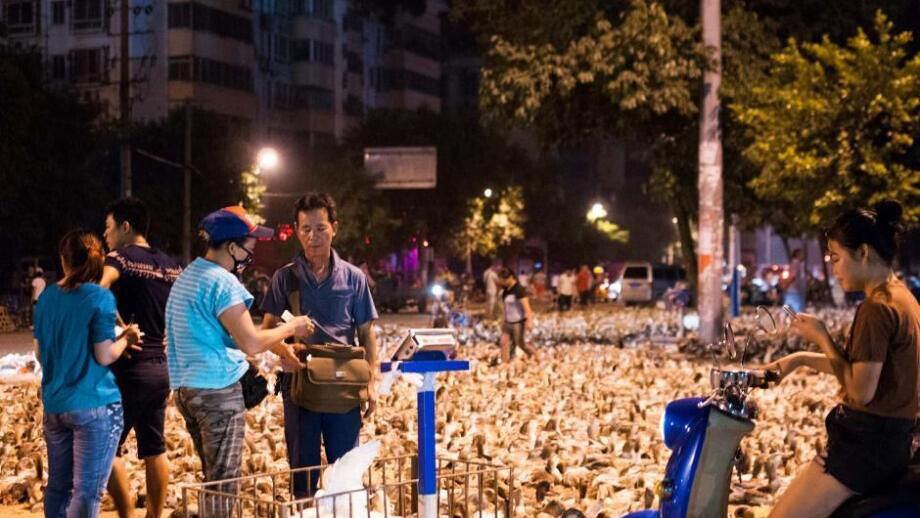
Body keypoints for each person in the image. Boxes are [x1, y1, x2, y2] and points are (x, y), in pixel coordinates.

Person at [766, 201, 919, 518]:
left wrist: (822, 336)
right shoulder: (903, 298)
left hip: (866, 445)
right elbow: (865, 369)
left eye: (836, 258)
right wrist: (799, 360)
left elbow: (860, 390)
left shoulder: (877, 308)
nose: (833, 270)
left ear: (862, 252)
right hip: (890, 441)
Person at [165, 207, 313, 513]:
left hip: (187, 391)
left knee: (213, 481)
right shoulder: (223, 282)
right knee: (224, 488)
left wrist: (279, 349)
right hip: (217, 393)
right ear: (232, 248)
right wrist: (293, 327)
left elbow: (226, 333)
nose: (251, 253)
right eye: (249, 246)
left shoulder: (189, 276)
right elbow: (250, 342)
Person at [259, 193, 380, 498]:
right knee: (303, 475)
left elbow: (367, 334)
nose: (313, 237)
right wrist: (284, 350)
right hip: (299, 386)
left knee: (346, 475)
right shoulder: (284, 278)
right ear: (297, 232)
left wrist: (372, 382)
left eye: (321, 228)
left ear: (334, 228)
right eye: (306, 229)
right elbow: (267, 330)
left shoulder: (354, 278)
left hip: (344, 386)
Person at [33, 229, 142, 518]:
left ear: (63, 260)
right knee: (86, 491)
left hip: (56, 405)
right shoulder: (99, 297)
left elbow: (39, 353)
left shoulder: (47, 298)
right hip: (95, 404)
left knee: (58, 488)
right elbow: (105, 355)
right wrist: (127, 339)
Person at [100, 198, 182, 518]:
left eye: (108, 228)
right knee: (154, 448)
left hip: (129, 368)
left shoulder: (118, 258)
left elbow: (99, 289)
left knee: (106, 448)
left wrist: (121, 326)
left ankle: (127, 515)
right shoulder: (171, 265)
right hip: (161, 369)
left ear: (125, 227)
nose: (105, 235)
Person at [498, 268, 536, 363]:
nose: (502, 282)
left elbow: (527, 307)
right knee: (503, 342)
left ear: (510, 278)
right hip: (507, 322)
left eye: (504, 280)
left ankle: (533, 354)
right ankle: (505, 363)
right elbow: (505, 307)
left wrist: (530, 321)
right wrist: (503, 320)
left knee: (520, 344)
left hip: (518, 323)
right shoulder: (505, 290)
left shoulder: (519, 290)